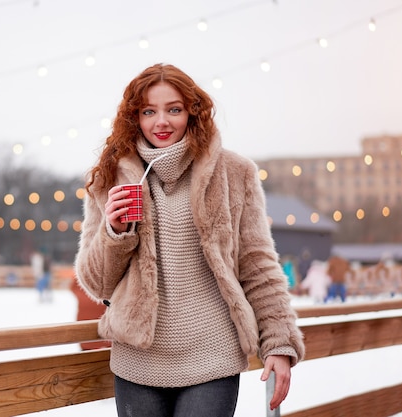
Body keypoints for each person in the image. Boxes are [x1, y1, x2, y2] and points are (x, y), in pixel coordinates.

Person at [74, 63, 305, 417]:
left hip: (213, 356)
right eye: (148, 111)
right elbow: (98, 284)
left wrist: (279, 342)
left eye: (174, 109)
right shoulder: (110, 177)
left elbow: (258, 266)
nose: (161, 121)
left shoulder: (235, 173)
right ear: (134, 117)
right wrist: (114, 232)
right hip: (139, 361)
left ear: (193, 113)